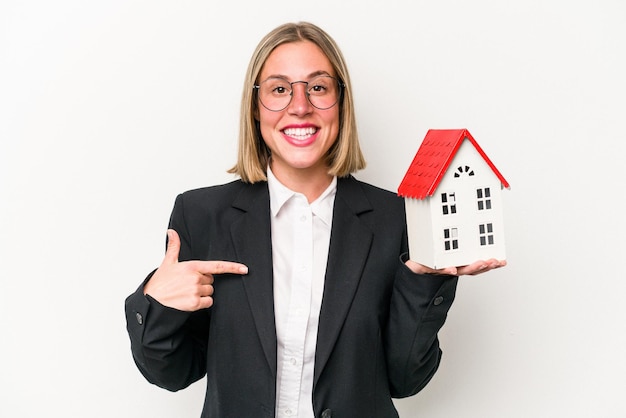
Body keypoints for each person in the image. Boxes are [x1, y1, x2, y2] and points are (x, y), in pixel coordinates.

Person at [124, 21, 505, 418]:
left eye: (318, 87)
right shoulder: (201, 216)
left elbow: (404, 380)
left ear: (341, 102)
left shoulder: (395, 219)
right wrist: (157, 302)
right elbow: (171, 372)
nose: (300, 106)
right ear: (255, 108)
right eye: (279, 89)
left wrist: (424, 281)